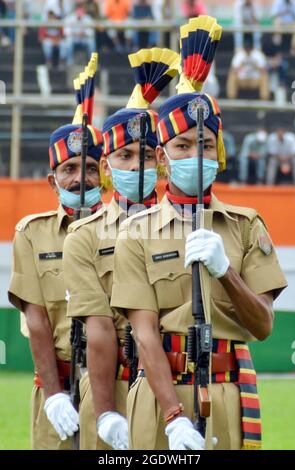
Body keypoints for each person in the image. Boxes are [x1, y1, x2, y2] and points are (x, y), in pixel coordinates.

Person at [110, 16, 287, 450]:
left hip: (228, 394)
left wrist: (226, 271)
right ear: (164, 156)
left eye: (206, 144)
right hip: (158, 397)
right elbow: (144, 334)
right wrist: (173, 419)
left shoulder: (246, 226)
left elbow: (263, 325)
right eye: (184, 146)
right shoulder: (136, 232)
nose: (197, 154)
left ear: (219, 148)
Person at [63, 47, 180, 450]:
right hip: (110, 382)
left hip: (173, 384)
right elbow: (97, 328)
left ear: (161, 162)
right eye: (125, 156)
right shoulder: (84, 235)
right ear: (107, 166)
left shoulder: (183, 226)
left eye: (146, 155)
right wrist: (108, 412)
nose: (137, 166)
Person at [8, 60, 103, 450]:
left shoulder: (128, 229)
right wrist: (53, 394)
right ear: (52, 181)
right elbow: (36, 318)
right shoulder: (32, 233)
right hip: (57, 385)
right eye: (68, 170)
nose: (81, 178)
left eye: (92, 168)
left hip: (113, 386)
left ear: (104, 176)